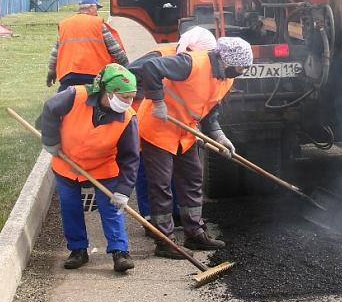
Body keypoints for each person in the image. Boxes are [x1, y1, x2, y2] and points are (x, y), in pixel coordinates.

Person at [130, 36, 252, 258]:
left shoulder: (226, 78)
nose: (243, 71)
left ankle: (194, 233)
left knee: (192, 180)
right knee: (161, 185)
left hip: (184, 132)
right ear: (227, 60)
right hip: (157, 129)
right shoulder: (191, 63)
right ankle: (164, 241)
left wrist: (219, 136)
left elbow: (209, 110)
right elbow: (151, 67)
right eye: (241, 67)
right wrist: (157, 101)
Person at [39, 63, 140, 273]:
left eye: (132, 97)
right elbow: (49, 108)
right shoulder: (74, 96)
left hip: (104, 167)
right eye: (125, 97)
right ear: (109, 92)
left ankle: (120, 252)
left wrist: (123, 190)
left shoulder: (128, 118)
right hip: (67, 163)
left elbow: (130, 158)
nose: (129, 102)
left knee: (111, 209)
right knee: (70, 207)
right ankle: (78, 250)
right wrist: (51, 141)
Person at [129, 26, 217, 232]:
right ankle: (151, 219)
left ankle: (176, 215)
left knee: (176, 172)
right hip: (146, 117)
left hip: (176, 126)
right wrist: (152, 97)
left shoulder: (196, 65)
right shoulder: (162, 56)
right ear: (193, 50)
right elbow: (127, 75)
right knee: (149, 172)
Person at [46, 0, 129, 91]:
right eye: (97, 8)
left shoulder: (65, 25)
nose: (97, 12)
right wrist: (127, 68)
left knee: (67, 97)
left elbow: (55, 53)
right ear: (90, 7)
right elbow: (115, 50)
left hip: (68, 74)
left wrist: (51, 73)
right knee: (95, 98)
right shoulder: (97, 24)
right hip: (93, 74)